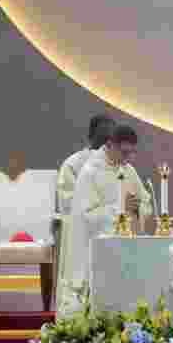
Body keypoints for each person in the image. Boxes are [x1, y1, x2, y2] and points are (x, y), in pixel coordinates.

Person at [61, 123, 152, 313]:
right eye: (125, 152)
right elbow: (86, 217)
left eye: (133, 153)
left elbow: (146, 204)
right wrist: (120, 209)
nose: (129, 158)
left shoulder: (128, 170)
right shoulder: (90, 172)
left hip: (127, 249)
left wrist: (137, 210)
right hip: (97, 253)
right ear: (110, 145)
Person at [55, 115, 114, 307]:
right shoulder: (73, 165)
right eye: (102, 136)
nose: (106, 141)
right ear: (90, 136)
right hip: (80, 235)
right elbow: (69, 204)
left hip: (111, 233)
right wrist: (104, 210)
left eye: (109, 137)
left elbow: (137, 201)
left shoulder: (120, 166)